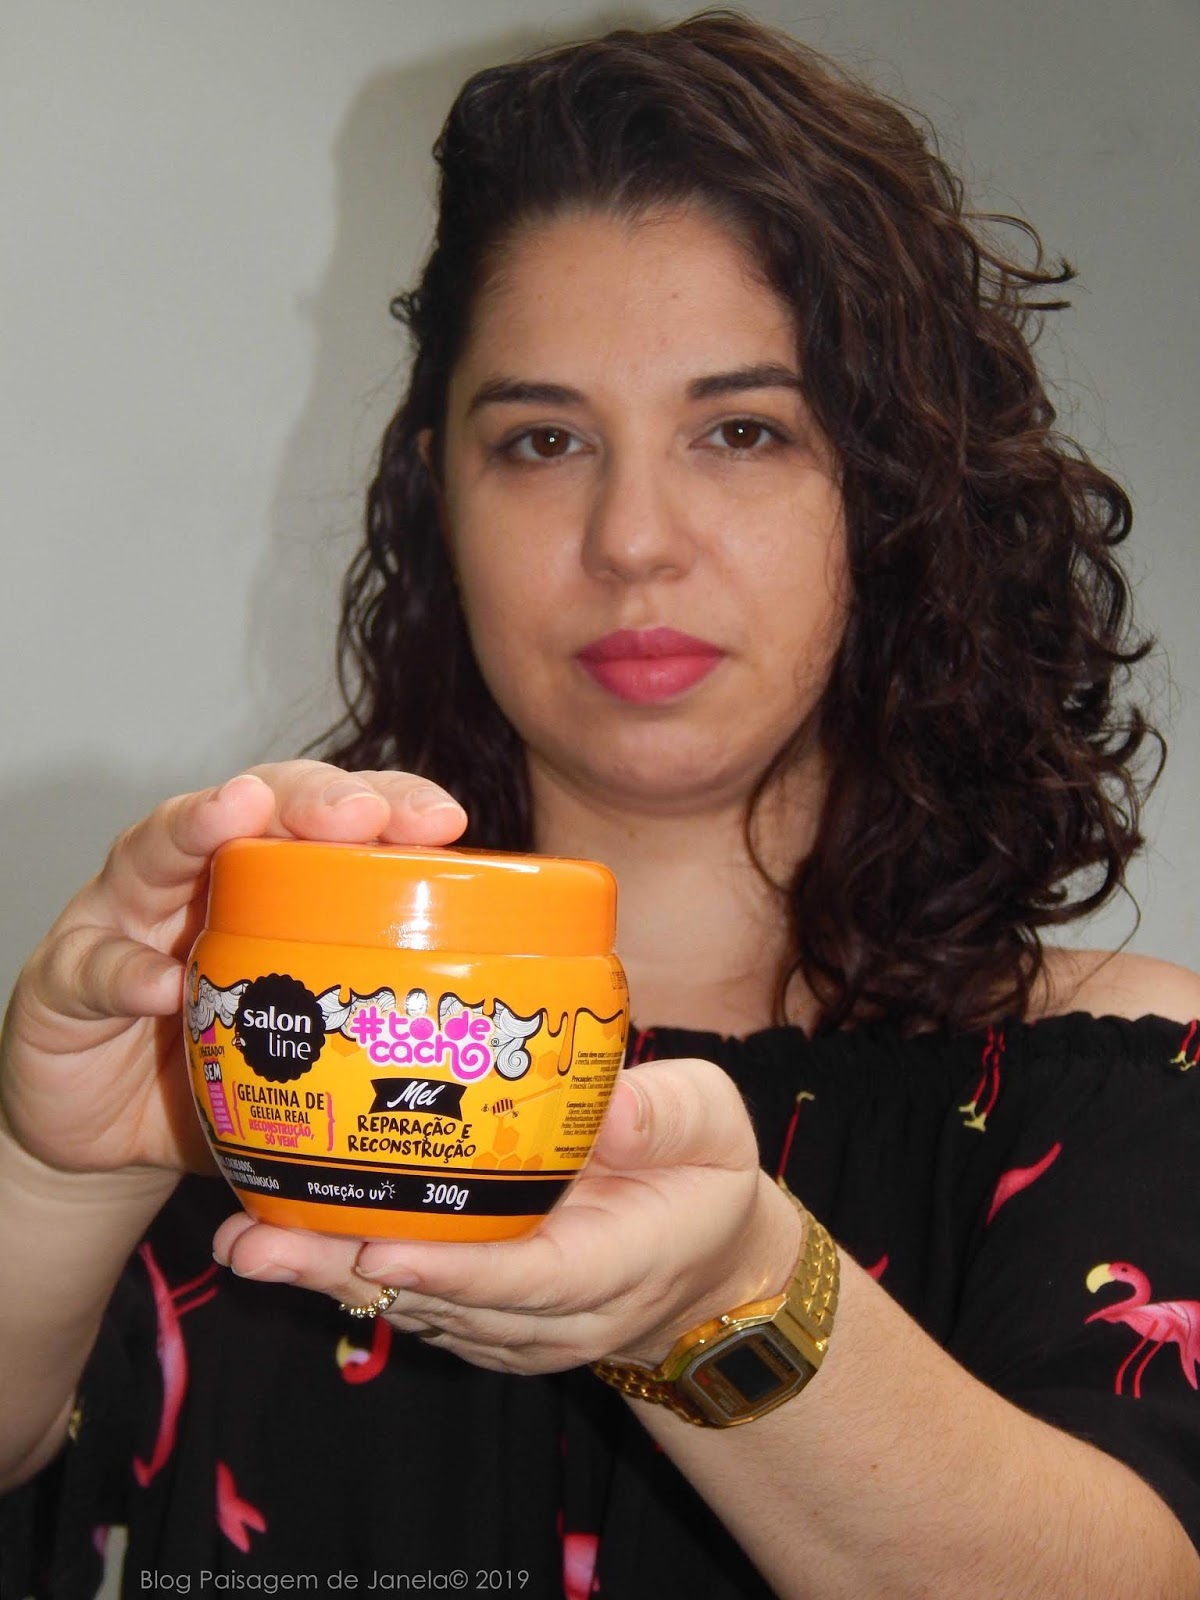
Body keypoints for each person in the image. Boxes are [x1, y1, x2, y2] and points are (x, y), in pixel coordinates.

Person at [2, 12, 1199, 1598]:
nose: (632, 536)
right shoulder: (246, 1040)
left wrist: (729, 1300)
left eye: (743, 431)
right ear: (440, 496)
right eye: (545, 439)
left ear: (900, 498)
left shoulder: (1115, 1079)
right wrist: (50, 1180)